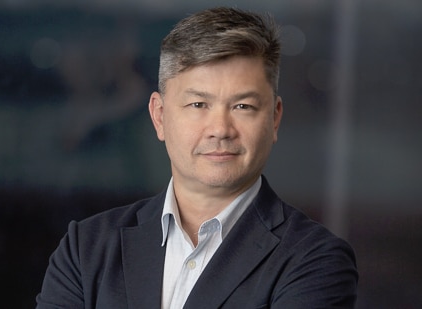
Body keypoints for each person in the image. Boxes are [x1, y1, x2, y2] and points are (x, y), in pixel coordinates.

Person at [36, 7, 358, 308]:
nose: (220, 129)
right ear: (159, 116)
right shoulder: (85, 249)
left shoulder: (315, 261)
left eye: (242, 106)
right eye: (198, 105)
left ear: (274, 119)